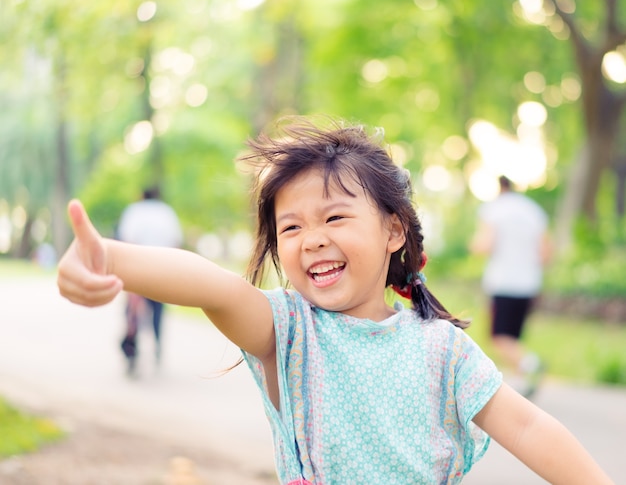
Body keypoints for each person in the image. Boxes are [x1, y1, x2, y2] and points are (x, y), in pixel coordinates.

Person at [57, 117, 613, 485]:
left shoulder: (444, 350)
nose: (313, 238)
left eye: (335, 217)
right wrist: (107, 258)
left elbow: (530, 429)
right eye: (291, 227)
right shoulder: (288, 331)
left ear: (393, 231)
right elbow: (210, 284)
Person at [470, 175, 552, 398]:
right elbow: (545, 253)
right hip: (529, 283)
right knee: (514, 336)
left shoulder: (494, 210)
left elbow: (484, 244)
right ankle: (522, 381)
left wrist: (474, 245)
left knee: (499, 337)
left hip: (503, 282)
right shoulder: (534, 211)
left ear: (499, 188)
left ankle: (531, 364)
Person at [116, 186, 183, 374]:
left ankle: (132, 348)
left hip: (137, 267)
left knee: (133, 311)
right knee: (158, 310)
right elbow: (176, 241)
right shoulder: (167, 213)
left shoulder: (134, 211)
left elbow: (126, 239)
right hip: (162, 268)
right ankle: (157, 344)